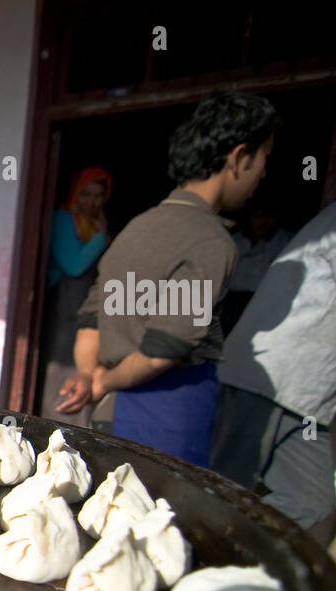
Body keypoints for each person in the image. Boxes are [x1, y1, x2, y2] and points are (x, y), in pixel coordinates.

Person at [63, 92, 278, 466]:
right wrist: (102, 382)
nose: (264, 173)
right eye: (264, 158)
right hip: (162, 424)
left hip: (108, 417)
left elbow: (92, 317)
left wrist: (88, 374)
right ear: (239, 156)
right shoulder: (211, 240)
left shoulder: (134, 228)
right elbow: (165, 348)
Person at [210, 187, 336, 547]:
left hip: (311, 401)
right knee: (224, 492)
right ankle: (201, 568)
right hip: (267, 383)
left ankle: (231, 560)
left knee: (312, 502)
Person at [40, 166, 112, 427]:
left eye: (98, 196)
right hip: (64, 305)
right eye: (86, 194)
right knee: (61, 367)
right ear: (75, 194)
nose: (91, 202)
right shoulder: (63, 219)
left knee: (82, 367)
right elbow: (73, 265)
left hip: (84, 306)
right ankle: (53, 423)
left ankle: (74, 426)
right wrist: (102, 236)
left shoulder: (91, 225)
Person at [222, 198, 294, 334]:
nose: (262, 221)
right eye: (257, 216)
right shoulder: (235, 241)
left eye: (267, 216)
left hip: (267, 302)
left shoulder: (286, 240)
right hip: (233, 303)